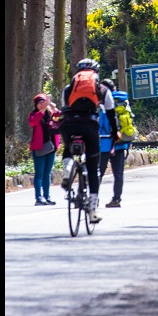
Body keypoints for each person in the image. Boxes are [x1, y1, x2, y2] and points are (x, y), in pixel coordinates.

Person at [59, 58, 117, 223]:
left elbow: (65, 107)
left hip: (68, 124)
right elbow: (111, 114)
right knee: (93, 168)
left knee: (68, 149)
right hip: (89, 125)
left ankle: (68, 168)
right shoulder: (103, 89)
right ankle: (92, 210)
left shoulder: (68, 88)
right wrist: (115, 132)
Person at [28, 93, 60, 206]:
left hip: (51, 147)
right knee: (39, 174)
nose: (42, 105)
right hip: (39, 147)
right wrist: (42, 110)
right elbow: (33, 122)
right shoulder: (34, 114)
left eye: (43, 102)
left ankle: (47, 196)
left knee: (47, 173)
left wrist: (52, 106)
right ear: (36, 105)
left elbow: (59, 117)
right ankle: (39, 197)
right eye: (40, 103)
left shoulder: (50, 113)